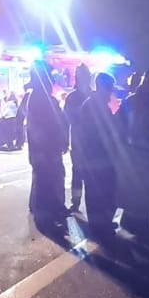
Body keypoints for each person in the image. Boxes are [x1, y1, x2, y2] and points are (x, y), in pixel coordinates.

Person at [69, 72, 119, 238]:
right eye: (110, 88)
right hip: (96, 158)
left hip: (95, 157)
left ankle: (101, 224)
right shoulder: (95, 106)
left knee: (99, 193)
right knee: (99, 193)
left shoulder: (94, 104)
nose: (111, 92)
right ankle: (100, 227)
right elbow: (101, 132)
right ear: (103, 87)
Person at [25, 64, 68, 237]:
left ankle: (51, 210)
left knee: (48, 179)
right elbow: (42, 127)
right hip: (45, 150)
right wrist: (49, 147)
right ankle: (46, 218)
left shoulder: (42, 97)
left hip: (47, 149)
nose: (52, 80)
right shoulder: (39, 98)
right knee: (46, 181)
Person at [62, 62, 92, 212]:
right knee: (79, 173)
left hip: (85, 143)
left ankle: (79, 203)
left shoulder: (75, 97)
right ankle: (76, 202)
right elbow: (66, 121)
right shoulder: (76, 98)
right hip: (80, 143)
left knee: (82, 174)